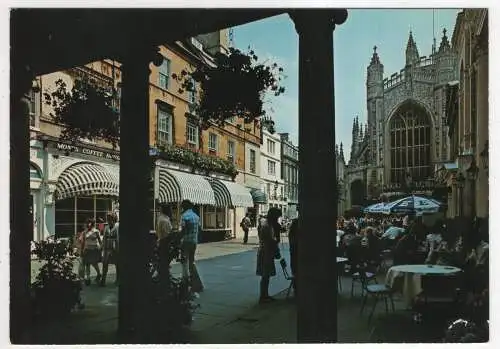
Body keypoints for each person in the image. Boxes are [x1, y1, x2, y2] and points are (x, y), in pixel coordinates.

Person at [256, 207, 282, 303]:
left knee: (266, 275)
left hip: (267, 252)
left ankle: (265, 294)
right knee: (265, 275)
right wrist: (276, 241)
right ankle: (263, 296)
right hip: (265, 252)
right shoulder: (267, 225)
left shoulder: (269, 225)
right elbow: (270, 240)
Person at [179, 199, 203, 292]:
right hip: (194, 242)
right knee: (192, 262)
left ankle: (185, 282)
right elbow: (199, 229)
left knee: (184, 262)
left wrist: (178, 238)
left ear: (184, 207)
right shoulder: (196, 216)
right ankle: (197, 284)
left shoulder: (184, 216)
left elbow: (183, 230)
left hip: (186, 242)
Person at [100, 212, 119, 286]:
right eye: (108, 218)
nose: (108, 220)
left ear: (114, 219)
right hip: (107, 248)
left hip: (115, 248)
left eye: (110, 218)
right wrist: (102, 247)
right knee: (105, 264)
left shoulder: (117, 226)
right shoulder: (106, 227)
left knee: (117, 264)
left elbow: (118, 238)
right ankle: (103, 280)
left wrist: (118, 248)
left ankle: (118, 279)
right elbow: (104, 238)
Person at [82, 218, 102, 285]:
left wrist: (101, 249)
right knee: (87, 264)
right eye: (87, 223)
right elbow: (83, 242)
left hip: (94, 249)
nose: (88, 224)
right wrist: (82, 250)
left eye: (90, 222)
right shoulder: (85, 232)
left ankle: (99, 274)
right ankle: (88, 278)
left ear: (92, 224)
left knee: (94, 263)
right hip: (87, 250)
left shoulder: (96, 231)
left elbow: (99, 241)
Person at [156, 203, 174, 280]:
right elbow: (168, 233)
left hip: (160, 241)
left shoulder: (160, 218)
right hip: (165, 243)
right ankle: (164, 277)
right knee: (164, 261)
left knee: (163, 261)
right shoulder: (165, 220)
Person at [288, 216, 299, 296]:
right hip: (296, 256)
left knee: (295, 271)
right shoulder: (296, 236)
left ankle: (296, 288)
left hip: (293, 256)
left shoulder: (291, 234)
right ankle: (297, 289)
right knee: (297, 271)